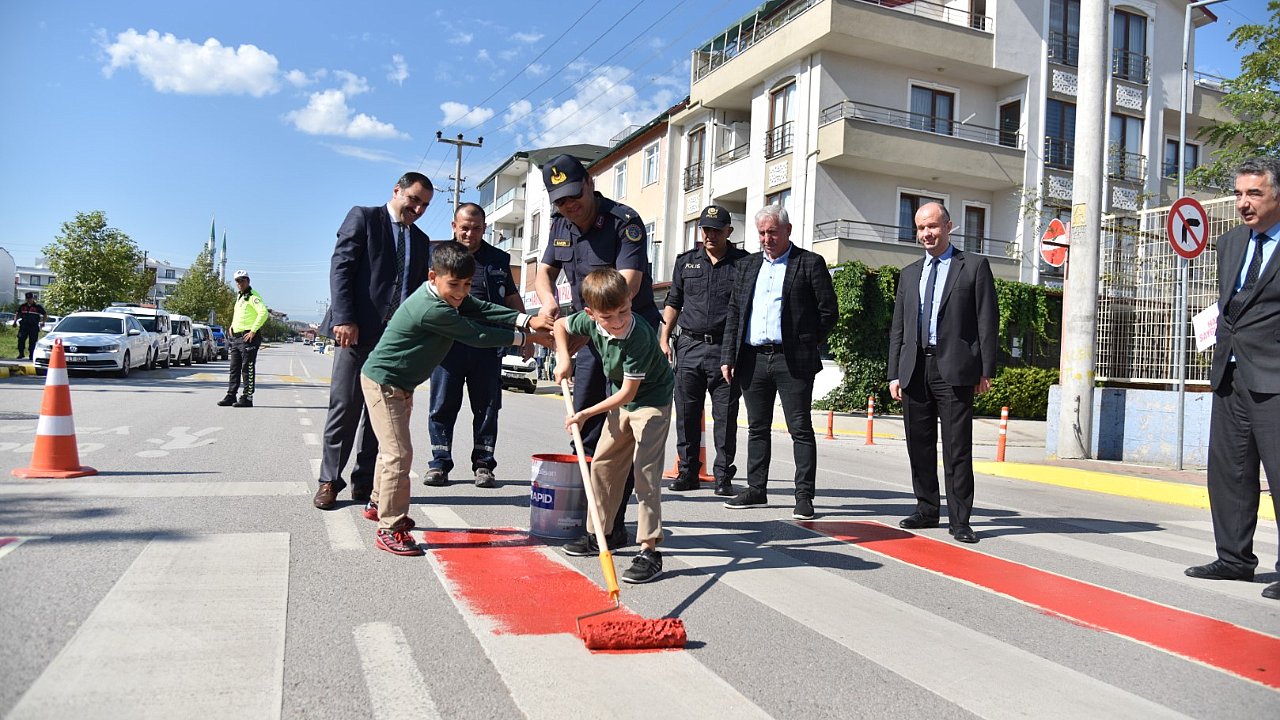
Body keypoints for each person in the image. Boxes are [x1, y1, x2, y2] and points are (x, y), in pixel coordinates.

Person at [359, 242, 552, 556]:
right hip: (385, 383)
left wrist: (525, 320)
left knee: (390, 450)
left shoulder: (447, 297)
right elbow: (475, 333)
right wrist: (526, 338)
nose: (461, 292)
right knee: (398, 454)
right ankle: (389, 527)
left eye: (465, 285)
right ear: (433, 277)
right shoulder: (432, 307)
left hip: (399, 384)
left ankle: (378, 503)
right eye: (454, 285)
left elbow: (481, 308)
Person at [534, 153, 662, 549]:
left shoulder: (624, 222)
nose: (570, 207)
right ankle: (597, 524)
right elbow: (544, 271)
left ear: (589, 183)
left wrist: (596, 318)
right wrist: (547, 300)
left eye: (574, 197)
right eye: (561, 202)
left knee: (621, 432)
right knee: (586, 430)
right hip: (587, 333)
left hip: (627, 335)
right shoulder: (559, 227)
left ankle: (615, 527)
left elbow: (630, 285)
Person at [1185, 157, 1280, 601]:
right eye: (1239, 194)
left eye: (1254, 193)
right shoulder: (1230, 243)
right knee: (1229, 472)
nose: (1243, 203)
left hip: (1276, 377)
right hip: (1230, 373)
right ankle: (1234, 559)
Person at [313, 172, 433, 511]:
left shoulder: (421, 240)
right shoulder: (364, 218)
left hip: (394, 341)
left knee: (378, 413)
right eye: (414, 200)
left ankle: (364, 483)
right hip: (356, 332)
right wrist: (344, 318)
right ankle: (329, 481)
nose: (418, 209)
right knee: (345, 407)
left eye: (424, 205)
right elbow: (341, 268)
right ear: (397, 191)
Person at [887, 202, 998, 544]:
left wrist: (986, 369)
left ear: (949, 226)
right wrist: (894, 373)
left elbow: (987, 321)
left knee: (956, 449)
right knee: (919, 446)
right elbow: (899, 329)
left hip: (955, 369)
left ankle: (960, 520)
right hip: (915, 369)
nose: (926, 234)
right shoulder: (909, 274)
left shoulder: (974, 267)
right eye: (920, 228)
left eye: (932, 226)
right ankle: (926, 509)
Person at [554, 268, 674, 584]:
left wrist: (585, 414)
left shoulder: (639, 336)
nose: (618, 321)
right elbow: (559, 325)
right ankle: (600, 536)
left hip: (651, 402)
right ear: (591, 314)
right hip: (622, 402)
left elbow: (628, 393)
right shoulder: (588, 320)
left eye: (623, 311)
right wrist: (564, 358)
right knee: (603, 465)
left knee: (645, 474)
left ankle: (650, 551)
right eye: (608, 317)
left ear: (630, 299)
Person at [720, 205, 838, 520]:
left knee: (800, 428)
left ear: (787, 230)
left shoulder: (809, 264)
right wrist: (728, 357)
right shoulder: (747, 266)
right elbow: (735, 313)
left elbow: (829, 311)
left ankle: (804, 497)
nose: (767, 238)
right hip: (753, 359)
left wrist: (807, 342)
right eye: (761, 233)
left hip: (792, 361)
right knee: (757, 427)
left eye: (772, 232)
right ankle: (756, 489)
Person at [425, 203, 524, 489]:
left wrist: (526, 327)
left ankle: (483, 465)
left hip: (487, 346)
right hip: (447, 345)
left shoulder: (498, 259)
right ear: (454, 226)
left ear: (485, 228)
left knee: (487, 407)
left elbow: (511, 298)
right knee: (443, 406)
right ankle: (439, 464)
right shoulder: (439, 256)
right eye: (465, 227)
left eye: (477, 228)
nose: (470, 233)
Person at [660, 204, 748, 497]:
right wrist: (664, 338)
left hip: (726, 350)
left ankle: (723, 475)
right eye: (705, 229)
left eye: (716, 229)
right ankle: (688, 472)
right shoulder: (686, 262)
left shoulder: (744, 263)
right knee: (686, 412)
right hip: (690, 346)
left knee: (725, 416)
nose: (710, 234)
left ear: (729, 232)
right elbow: (673, 301)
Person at [219, 270, 269, 408]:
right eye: (237, 281)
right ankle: (231, 395)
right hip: (236, 337)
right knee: (234, 368)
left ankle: (247, 397)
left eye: (242, 280)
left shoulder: (253, 296)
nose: (239, 283)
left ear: (248, 281)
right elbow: (241, 315)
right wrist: (232, 326)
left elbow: (263, 313)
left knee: (247, 368)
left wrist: (253, 330)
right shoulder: (240, 297)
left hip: (248, 338)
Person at [14, 292, 46, 360]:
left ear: (33, 298)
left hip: (33, 327)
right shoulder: (23, 306)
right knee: (21, 340)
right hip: (24, 326)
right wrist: (15, 321)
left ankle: (31, 355)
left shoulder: (37, 307)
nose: (29, 300)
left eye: (30, 298)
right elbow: (17, 313)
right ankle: (21, 354)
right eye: (27, 298)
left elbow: (45, 314)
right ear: (26, 299)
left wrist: (43, 322)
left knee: (32, 341)